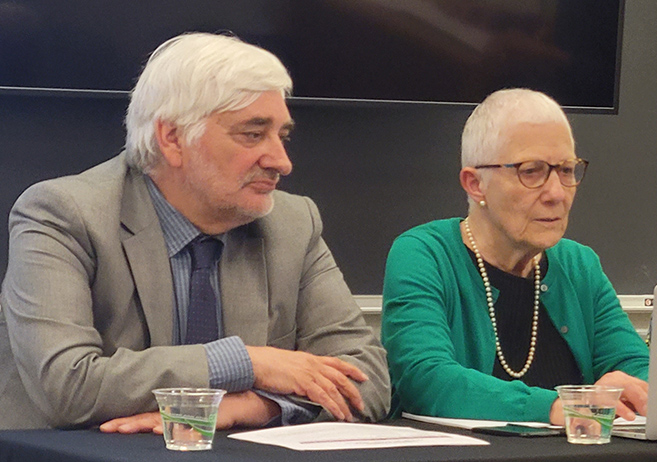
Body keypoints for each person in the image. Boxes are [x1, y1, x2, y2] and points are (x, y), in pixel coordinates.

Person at [0, 32, 390, 431]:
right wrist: (247, 363)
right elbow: (67, 386)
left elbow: (367, 379)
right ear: (172, 139)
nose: (281, 161)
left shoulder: (292, 223)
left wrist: (253, 406)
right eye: (253, 134)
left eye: (282, 136)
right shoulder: (63, 214)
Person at [381, 88, 649, 424]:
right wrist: (559, 406)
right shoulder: (424, 255)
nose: (556, 194)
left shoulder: (580, 265)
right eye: (531, 171)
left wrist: (629, 387)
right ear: (475, 184)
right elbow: (426, 381)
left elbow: (640, 367)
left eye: (567, 170)